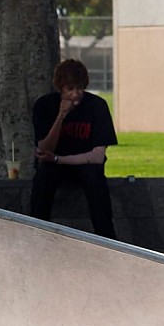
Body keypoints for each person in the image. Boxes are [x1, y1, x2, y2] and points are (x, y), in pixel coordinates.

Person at [30, 59, 118, 239]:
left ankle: (107, 238)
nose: (75, 94)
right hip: (54, 166)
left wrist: (57, 159)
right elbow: (44, 149)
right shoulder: (44, 105)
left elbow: (97, 156)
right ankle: (36, 232)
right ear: (60, 87)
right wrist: (61, 116)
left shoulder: (97, 106)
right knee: (44, 176)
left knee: (95, 180)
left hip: (84, 164)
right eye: (70, 89)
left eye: (79, 89)